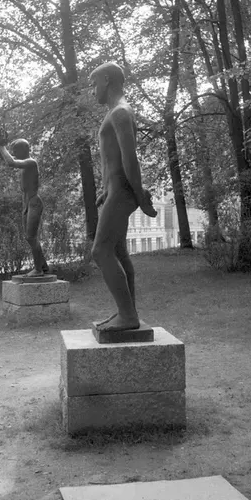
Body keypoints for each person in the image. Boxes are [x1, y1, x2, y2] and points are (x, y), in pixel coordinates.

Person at [90, 62, 157, 332]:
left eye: (94, 84)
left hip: (122, 191)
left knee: (100, 251)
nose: (93, 91)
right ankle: (128, 313)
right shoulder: (116, 113)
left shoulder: (120, 112)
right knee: (118, 251)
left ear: (107, 79)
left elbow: (130, 159)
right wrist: (106, 191)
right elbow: (114, 160)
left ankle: (128, 315)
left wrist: (139, 195)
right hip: (115, 191)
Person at [0, 128, 48, 277]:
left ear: (24, 150)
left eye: (15, 150)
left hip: (34, 203)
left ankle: (38, 270)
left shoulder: (31, 162)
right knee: (29, 237)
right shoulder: (24, 163)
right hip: (27, 204)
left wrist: (2, 146)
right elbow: (5, 158)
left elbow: (11, 162)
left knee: (31, 237)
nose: (14, 153)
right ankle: (43, 266)